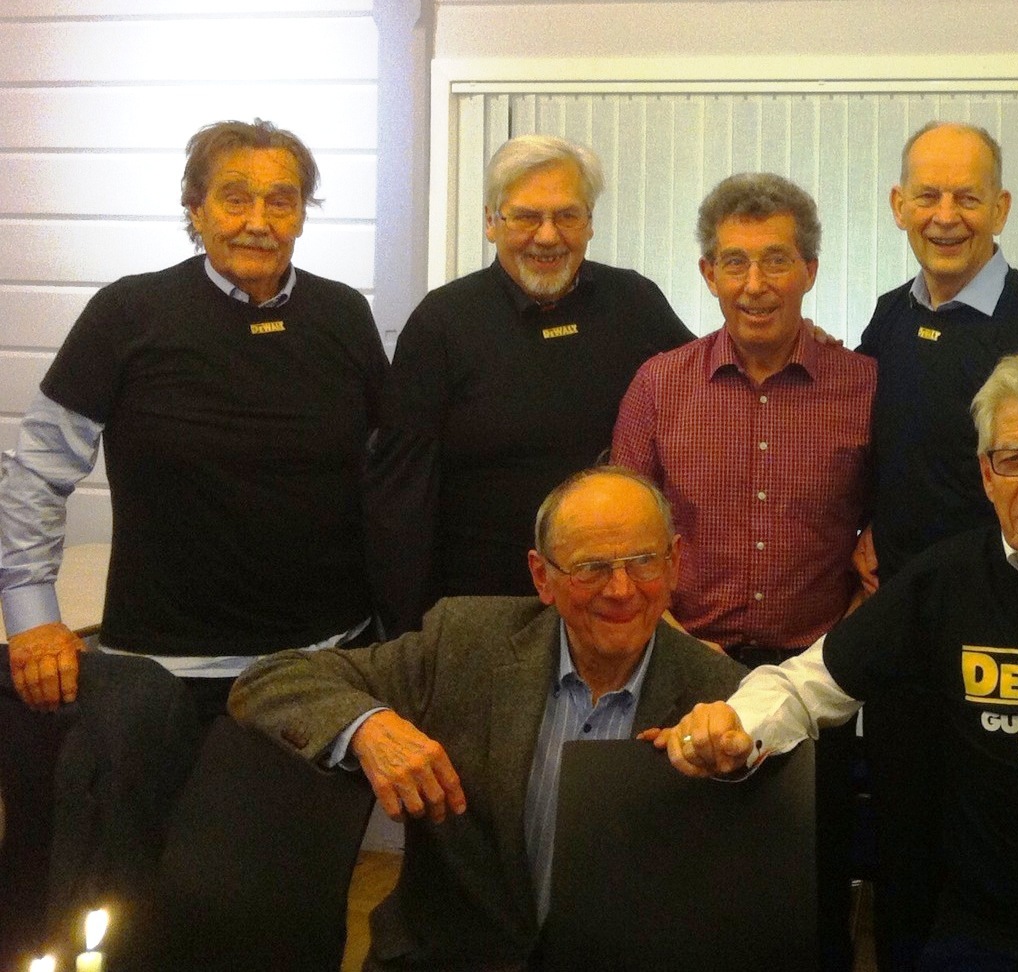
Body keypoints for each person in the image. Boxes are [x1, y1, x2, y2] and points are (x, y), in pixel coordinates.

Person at [660, 350, 1018, 970]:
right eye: (1012, 459)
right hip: (982, 932)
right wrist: (735, 724)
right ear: (987, 476)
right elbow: (806, 685)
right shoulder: (942, 582)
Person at [231, 467, 745, 969]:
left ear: (674, 563)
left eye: (643, 562)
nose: (621, 589)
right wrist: (368, 725)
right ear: (542, 577)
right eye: (592, 568)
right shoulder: (465, 641)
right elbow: (269, 680)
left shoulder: (724, 697)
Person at [1, 117, 385, 721]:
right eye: (235, 199)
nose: (258, 221)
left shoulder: (344, 314)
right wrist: (32, 617)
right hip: (167, 672)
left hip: (328, 659)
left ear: (301, 216)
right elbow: (37, 472)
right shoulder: (126, 314)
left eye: (280, 201)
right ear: (196, 209)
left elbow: (385, 468)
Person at [609, 172, 873, 971]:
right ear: (708, 273)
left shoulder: (864, 387)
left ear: (810, 270)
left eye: (776, 260)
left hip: (816, 681)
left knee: (812, 901)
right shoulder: (659, 384)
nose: (755, 284)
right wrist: (670, 641)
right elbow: (622, 534)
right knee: (681, 902)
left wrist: (844, 649)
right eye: (734, 262)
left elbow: (883, 544)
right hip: (682, 668)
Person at [366, 134, 693, 636]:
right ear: (490, 222)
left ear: (590, 223)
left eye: (567, 216)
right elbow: (401, 500)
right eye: (525, 217)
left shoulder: (635, 303)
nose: (547, 236)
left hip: (617, 609)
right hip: (486, 616)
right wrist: (409, 633)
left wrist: (795, 338)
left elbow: (711, 391)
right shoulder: (442, 324)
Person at [856, 121, 1018, 582]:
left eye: (967, 199)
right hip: (896, 589)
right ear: (899, 206)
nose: (945, 217)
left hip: (997, 594)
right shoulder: (891, 315)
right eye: (927, 197)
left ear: (1000, 210)